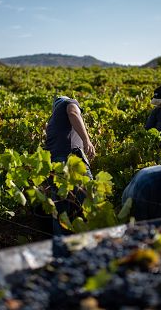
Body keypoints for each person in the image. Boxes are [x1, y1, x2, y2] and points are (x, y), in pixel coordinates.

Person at [44, 96, 96, 234]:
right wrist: (86, 140)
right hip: (71, 158)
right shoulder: (68, 102)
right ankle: (97, 242)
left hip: (54, 163)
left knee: (61, 211)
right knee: (91, 201)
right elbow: (73, 112)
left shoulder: (52, 122)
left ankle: (62, 249)